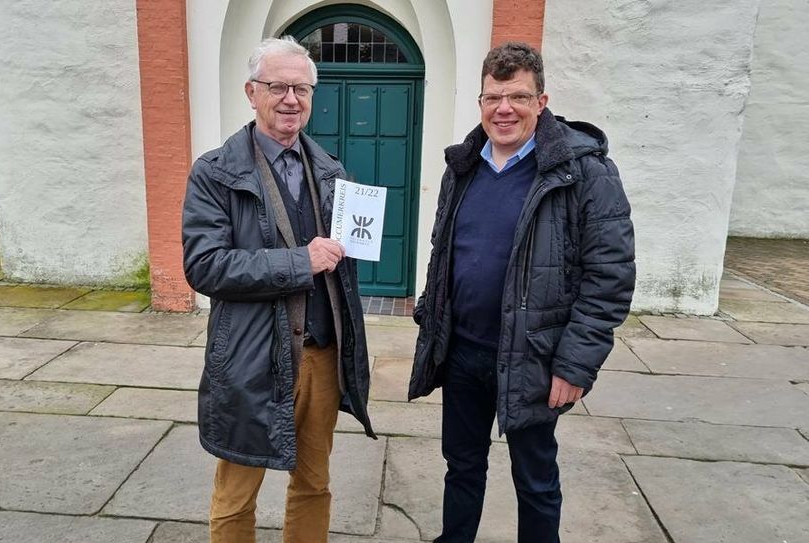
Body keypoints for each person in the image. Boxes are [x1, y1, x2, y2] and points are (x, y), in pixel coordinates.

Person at [409, 41, 635, 543]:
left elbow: (610, 278)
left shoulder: (584, 173)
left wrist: (575, 364)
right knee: (461, 467)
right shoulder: (463, 166)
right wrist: (432, 313)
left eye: (517, 97)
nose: (503, 109)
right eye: (493, 97)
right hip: (464, 352)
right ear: (481, 103)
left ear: (541, 101)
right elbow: (443, 248)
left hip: (534, 357)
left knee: (534, 480)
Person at [181, 36, 375, 543]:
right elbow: (205, 266)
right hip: (250, 355)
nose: (291, 99)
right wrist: (300, 260)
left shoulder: (331, 170)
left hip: (319, 357)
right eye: (279, 86)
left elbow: (341, 266)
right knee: (236, 493)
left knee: (314, 484)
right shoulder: (215, 172)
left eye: (302, 89)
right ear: (251, 91)